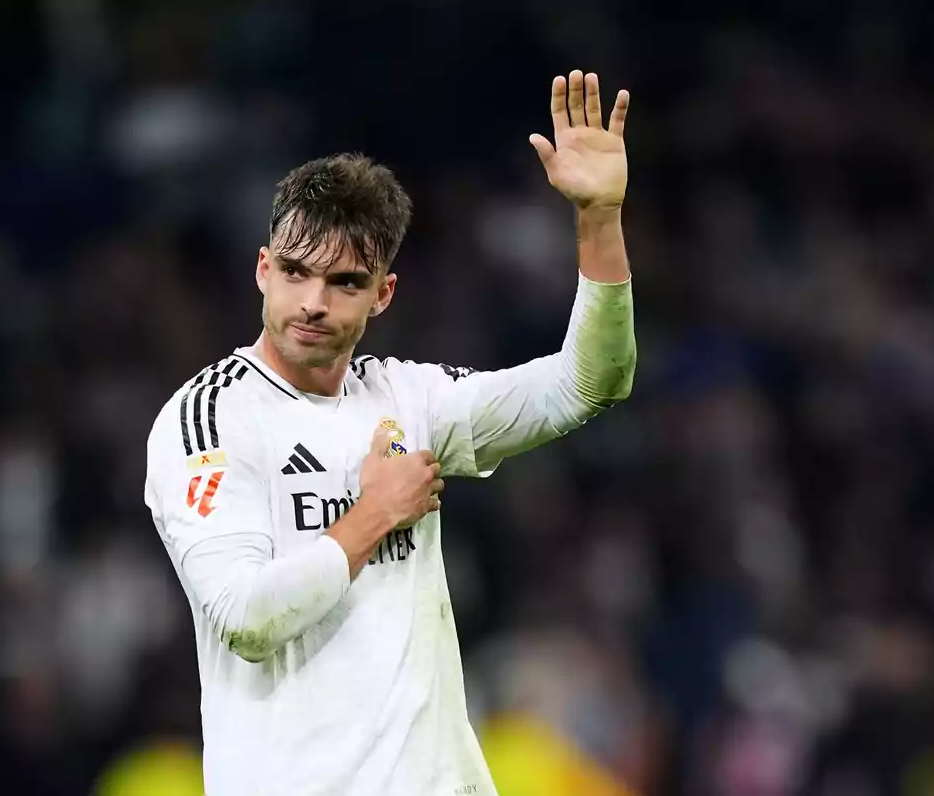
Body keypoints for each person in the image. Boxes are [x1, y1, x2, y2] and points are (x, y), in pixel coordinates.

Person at [144, 70, 637, 796]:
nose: (313, 302)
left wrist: (598, 219)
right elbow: (245, 618)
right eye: (295, 272)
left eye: (344, 282)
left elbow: (590, 384)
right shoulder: (210, 416)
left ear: (384, 293)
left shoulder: (411, 397)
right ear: (262, 270)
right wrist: (374, 513)